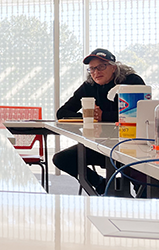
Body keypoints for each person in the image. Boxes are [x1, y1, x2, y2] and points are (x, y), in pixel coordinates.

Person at [53, 48, 145, 195]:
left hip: (129, 145)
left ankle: (145, 207)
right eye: (92, 69)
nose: (96, 72)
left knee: (143, 176)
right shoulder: (89, 86)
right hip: (99, 145)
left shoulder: (132, 81)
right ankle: (101, 184)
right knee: (61, 159)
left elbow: (140, 114)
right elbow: (62, 113)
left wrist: (105, 116)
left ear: (114, 67)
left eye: (101, 66)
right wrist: (89, 117)